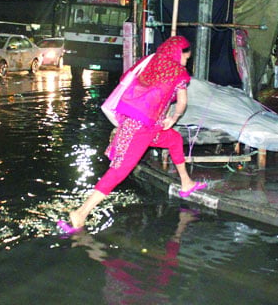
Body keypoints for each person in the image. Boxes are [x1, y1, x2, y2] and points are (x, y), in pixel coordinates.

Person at [58, 36, 207, 232]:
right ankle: (81, 213)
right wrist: (174, 118)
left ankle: (186, 183)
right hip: (140, 129)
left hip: (144, 125)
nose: (185, 62)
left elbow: (128, 81)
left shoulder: (151, 62)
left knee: (174, 139)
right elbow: (182, 103)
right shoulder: (178, 72)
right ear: (178, 54)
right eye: (185, 58)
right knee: (119, 170)